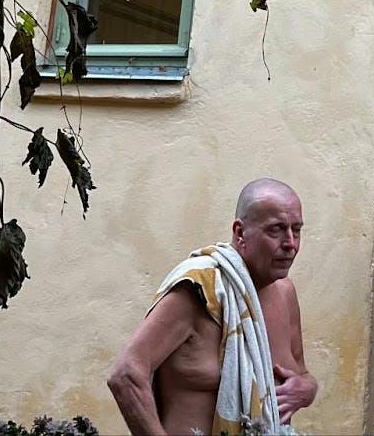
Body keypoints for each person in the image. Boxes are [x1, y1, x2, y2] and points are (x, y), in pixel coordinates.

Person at [107, 178, 318, 435]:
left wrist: (306, 390)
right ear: (240, 233)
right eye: (276, 230)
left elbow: (302, 373)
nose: (291, 244)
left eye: (296, 230)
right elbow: (126, 375)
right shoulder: (199, 290)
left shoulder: (285, 294)